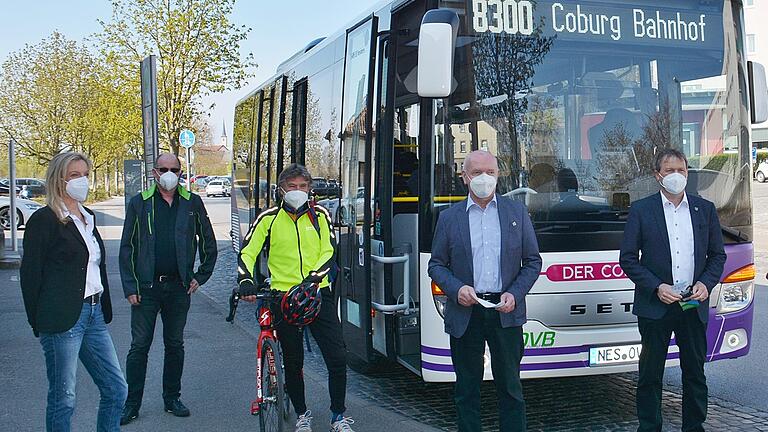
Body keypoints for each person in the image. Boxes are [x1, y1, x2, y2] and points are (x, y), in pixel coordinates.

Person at [428, 150, 542, 432]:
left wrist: (515, 293)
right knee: (467, 391)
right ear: (465, 177)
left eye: (490, 172)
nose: (484, 178)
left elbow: (532, 261)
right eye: (477, 173)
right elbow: (436, 265)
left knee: (511, 389)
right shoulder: (449, 218)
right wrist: (456, 290)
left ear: (498, 176)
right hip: (466, 314)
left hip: (506, 312)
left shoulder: (516, 212)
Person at [237, 163, 354, 432]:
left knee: (337, 357)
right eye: (292, 187)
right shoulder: (268, 218)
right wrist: (245, 279)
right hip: (283, 297)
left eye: (303, 186)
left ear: (310, 189)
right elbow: (248, 251)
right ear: (281, 190)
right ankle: (302, 414)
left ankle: (338, 415)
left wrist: (313, 279)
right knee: (293, 362)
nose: (297, 191)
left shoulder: (321, 215)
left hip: (316, 294)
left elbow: (330, 252)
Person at [619, 148, 726, 432]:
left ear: (687, 173)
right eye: (669, 171)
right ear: (658, 176)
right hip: (656, 306)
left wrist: (705, 283)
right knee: (650, 374)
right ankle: (649, 427)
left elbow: (718, 256)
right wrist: (657, 287)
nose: (676, 175)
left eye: (682, 170)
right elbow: (628, 259)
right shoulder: (642, 210)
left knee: (694, 373)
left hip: (692, 304)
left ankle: (694, 427)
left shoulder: (704, 209)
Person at [20, 152, 127, 431]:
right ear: (59, 180)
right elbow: (30, 276)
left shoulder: (88, 217)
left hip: (94, 315)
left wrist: (102, 308)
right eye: (74, 176)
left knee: (116, 389)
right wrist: (39, 322)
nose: (83, 181)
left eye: (85, 174)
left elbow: (95, 265)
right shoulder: (45, 220)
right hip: (62, 319)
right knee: (64, 398)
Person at [118, 153, 218, 424]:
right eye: (164, 169)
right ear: (154, 172)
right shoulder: (140, 203)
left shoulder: (192, 203)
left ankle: (172, 397)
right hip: (146, 289)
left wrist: (201, 275)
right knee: (139, 346)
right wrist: (131, 286)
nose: (169, 173)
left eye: (174, 169)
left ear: (181, 172)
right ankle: (131, 403)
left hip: (178, 288)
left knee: (175, 344)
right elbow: (127, 247)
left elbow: (208, 241)